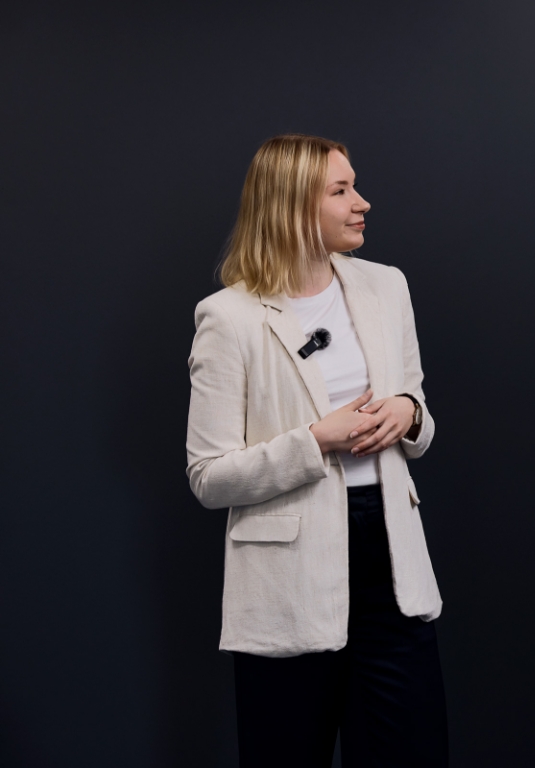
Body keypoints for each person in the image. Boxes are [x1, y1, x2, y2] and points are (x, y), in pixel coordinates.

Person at [186, 134, 448, 767]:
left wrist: (408, 415)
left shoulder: (387, 287)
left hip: (391, 561)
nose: (363, 203)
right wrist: (316, 442)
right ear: (291, 207)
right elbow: (208, 477)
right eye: (340, 191)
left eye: (354, 186)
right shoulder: (229, 317)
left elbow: (417, 410)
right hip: (286, 582)